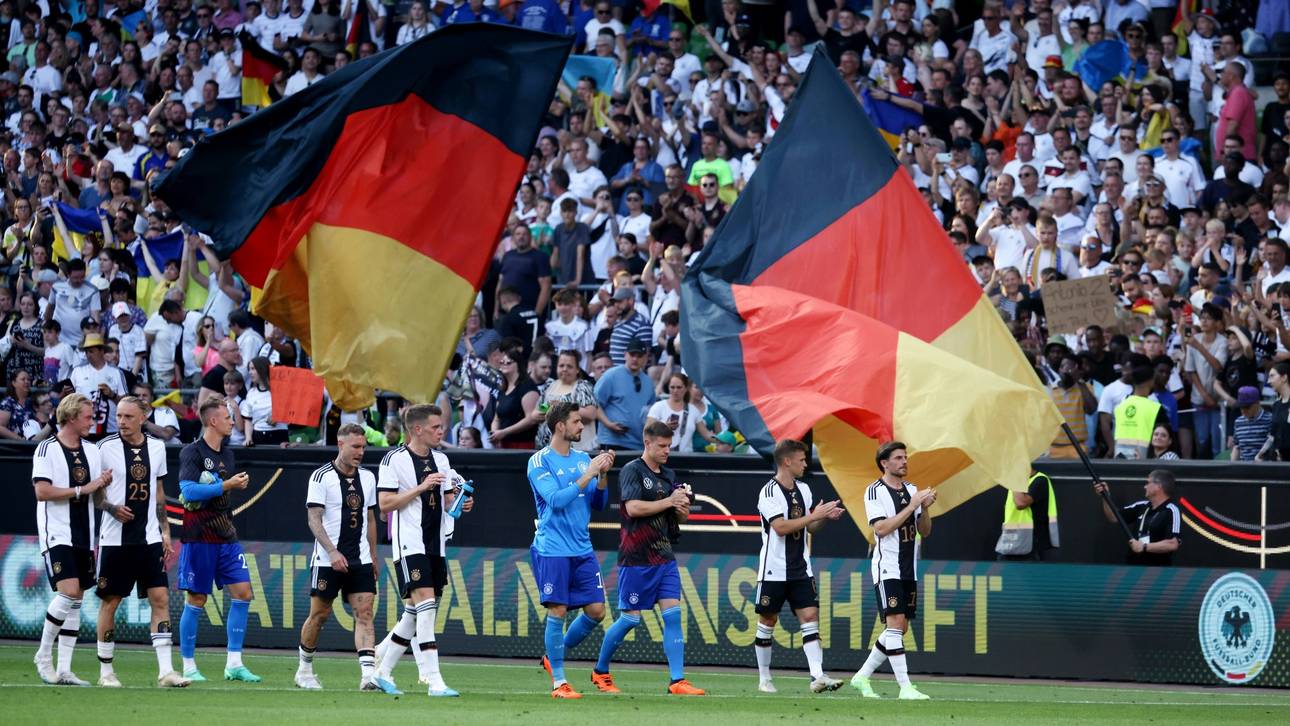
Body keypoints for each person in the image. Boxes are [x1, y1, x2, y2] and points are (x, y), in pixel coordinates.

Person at [591, 420, 704, 695]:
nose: (667, 450)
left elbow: (678, 516)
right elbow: (632, 508)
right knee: (630, 620)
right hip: (636, 557)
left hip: (664, 556)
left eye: (670, 446)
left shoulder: (669, 474)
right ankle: (600, 671)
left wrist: (681, 510)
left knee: (673, 616)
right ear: (647, 443)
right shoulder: (632, 470)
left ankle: (677, 680)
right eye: (662, 446)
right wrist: (669, 501)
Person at [93, 397, 190, 688]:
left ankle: (166, 672)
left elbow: (158, 493)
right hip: (115, 540)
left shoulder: (157, 447)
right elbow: (95, 493)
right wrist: (111, 508)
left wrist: (165, 532)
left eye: (128, 417)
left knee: (160, 599)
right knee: (111, 601)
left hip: (149, 539)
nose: (121, 421)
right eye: (120, 416)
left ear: (143, 417)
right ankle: (106, 672)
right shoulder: (104, 448)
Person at [295, 424, 399, 694]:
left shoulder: (368, 478)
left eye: (363, 447)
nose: (360, 452)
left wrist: (373, 555)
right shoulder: (321, 477)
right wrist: (332, 551)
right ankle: (304, 670)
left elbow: (371, 519)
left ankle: (368, 676)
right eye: (355, 447)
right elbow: (313, 519)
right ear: (341, 444)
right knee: (319, 615)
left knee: (365, 614)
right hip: (327, 560)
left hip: (360, 559)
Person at [526, 401, 616, 699]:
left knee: (597, 611)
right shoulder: (540, 461)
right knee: (559, 610)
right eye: (577, 421)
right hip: (552, 548)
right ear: (560, 426)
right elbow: (556, 500)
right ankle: (560, 683)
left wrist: (602, 475)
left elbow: (599, 504)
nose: (582, 426)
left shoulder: (582, 458)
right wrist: (589, 473)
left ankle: (553, 656)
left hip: (582, 548)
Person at [374, 404, 463, 697]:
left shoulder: (442, 459)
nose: (441, 431)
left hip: (436, 544)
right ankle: (433, 679)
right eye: (436, 427)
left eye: (442, 426)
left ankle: (381, 668)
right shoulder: (394, 459)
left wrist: (462, 502)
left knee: (415, 612)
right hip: (410, 543)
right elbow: (385, 504)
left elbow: (449, 504)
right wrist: (421, 487)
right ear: (417, 429)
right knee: (426, 607)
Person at [32, 393, 114, 686]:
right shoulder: (47, 448)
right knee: (67, 592)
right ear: (70, 417)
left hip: (84, 533)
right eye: (88, 417)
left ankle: (65, 669)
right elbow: (42, 491)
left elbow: (96, 495)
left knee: (77, 598)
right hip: (57, 532)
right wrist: (83, 489)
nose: (92, 422)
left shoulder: (92, 450)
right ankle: (43, 655)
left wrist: (106, 495)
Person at [175, 396, 259, 682]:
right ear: (213, 421)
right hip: (199, 536)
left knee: (243, 592)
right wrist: (226, 484)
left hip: (226, 535)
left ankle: (234, 663)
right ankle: (188, 666)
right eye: (227, 417)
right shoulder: (192, 452)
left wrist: (232, 485)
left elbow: (218, 490)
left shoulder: (227, 454)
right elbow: (188, 492)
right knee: (197, 598)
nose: (232, 422)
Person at [753, 439, 845, 695]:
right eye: (802, 460)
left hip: (801, 569)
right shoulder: (769, 492)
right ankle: (764, 678)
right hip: (773, 569)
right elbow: (780, 527)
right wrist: (814, 515)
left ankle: (817, 676)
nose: (806, 464)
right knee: (768, 620)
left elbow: (810, 527)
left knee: (810, 617)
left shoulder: (804, 489)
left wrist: (823, 518)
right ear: (787, 461)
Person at [852, 441, 934, 700]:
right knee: (896, 624)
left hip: (909, 568)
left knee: (900, 628)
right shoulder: (874, 491)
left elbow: (925, 531)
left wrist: (925, 508)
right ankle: (905, 687)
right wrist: (911, 506)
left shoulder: (912, 490)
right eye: (898, 458)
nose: (904, 461)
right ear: (884, 463)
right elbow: (881, 529)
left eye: (905, 457)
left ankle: (862, 676)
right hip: (887, 566)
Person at [1093, 470, 1181, 566]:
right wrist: (1105, 496)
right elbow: (1113, 517)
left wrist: (1144, 547)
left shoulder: (1171, 510)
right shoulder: (1141, 506)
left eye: (1148, 483)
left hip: (1156, 569)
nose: (1145, 486)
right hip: (1133, 567)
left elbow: (1173, 544)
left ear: (1158, 486)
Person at [594, 338, 655, 449]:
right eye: (632, 355)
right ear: (625, 355)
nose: (635, 359)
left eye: (639, 356)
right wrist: (608, 424)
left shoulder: (648, 382)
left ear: (645, 358)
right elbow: (594, 404)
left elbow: (652, 411)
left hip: (639, 444)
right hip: (612, 441)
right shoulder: (611, 375)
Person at [645, 372, 725, 452]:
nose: (675, 390)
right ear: (668, 388)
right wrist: (664, 427)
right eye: (672, 387)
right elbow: (647, 432)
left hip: (686, 456)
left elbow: (706, 434)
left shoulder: (693, 410)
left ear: (686, 388)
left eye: (679, 387)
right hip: (662, 455)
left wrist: (723, 439)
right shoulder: (658, 407)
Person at [996, 472, 1059, 561]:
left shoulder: (1040, 480)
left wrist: (1015, 478)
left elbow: (1021, 503)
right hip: (1010, 542)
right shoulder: (1017, 483)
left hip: (1029, 543)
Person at [242, 356, 287, 446]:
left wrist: (278, 416)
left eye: (253, 369)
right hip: (258, 436)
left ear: (262, 369)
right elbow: (248, 419)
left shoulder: (280, 389)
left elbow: (291, 409)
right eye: (249, 369)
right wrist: (248, 438)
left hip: (279, 435)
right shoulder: (251, 393)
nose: (250, 372)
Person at [1257, 362, 1290, 461]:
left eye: (1272, 376)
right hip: (1281, 460)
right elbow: (1272, 435)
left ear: (1284, 377)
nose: (1268, 381)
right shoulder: (1276, 405)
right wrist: (1260, 453)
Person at [1229, 386, 1272, 461]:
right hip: (1244, 466)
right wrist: (1232, 464)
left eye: (1247, 407)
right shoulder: (1238, 422)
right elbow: (1237, 447)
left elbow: (1272, 444)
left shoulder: (1269, 419)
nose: (1243, 410)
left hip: (1264, 466)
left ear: (1257, 403)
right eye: (1241, 407)